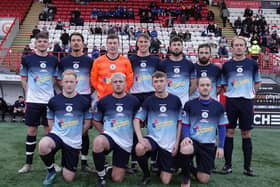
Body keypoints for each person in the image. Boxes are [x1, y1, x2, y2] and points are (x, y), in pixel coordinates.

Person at [38, 70, 92, 185]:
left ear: (76, 83)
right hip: (58, 135)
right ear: (62, 82)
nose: (69, 84)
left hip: (73, 141)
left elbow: (87, 123)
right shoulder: (54, 101)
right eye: (66, 81)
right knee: (43, 145)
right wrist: (55, 133)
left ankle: (66, 163)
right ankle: (51, 171)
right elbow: (50, 119)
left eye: (71, 82)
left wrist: (77, 135)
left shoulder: (84, 101)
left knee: (68, 178)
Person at [218, 36, 262, 176]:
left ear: (245, 47)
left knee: (246, 134)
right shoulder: (226, 65)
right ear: (232, 47)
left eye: (241, 45)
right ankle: (228, 165)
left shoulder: (253, 64)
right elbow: (224, 84)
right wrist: (233, 92)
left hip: (246, 102)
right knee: (229, 133)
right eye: (236, 45)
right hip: (231, 101)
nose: (238, 47)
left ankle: (247, 167)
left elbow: (257, 83)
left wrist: (248, 92)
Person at [18, 32, 59, 173]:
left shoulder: (53, 60)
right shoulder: (27, 59)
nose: (42, 43)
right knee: (32, 130)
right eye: (39, 41)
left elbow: (55, 78)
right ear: (35, 43)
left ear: (48, 43)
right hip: (33, 101)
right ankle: (28, 164)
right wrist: (30, 92)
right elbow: (23, 78)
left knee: (49, 132)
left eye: (44, 41)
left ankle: (52, 164)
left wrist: (49, 90)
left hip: (48, 102)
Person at [92, 73, 140, 187]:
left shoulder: (134, 101)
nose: (118, 84)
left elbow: (138, 120)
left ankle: (108, 168)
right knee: (98, 142)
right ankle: (101, 176)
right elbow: (95, 120)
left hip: (125, 141)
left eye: (120, 81)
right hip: (109, 136)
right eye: (115, 82)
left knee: (117, 179)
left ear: (125, 83)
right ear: (111, 84)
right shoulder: (104, 101)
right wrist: (104, 133)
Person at [134, 71, 182, 185]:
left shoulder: (175, 100)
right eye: (156, 81)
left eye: (161, 81)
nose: (159, 84)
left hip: (169, 143)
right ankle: (146, 175)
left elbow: (180, 122)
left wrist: (177, 142)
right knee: (139, 148)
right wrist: (140, 138)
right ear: (152, 84)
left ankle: (161, 164)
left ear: (167, 82)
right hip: (153, 139)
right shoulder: (149, 101)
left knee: (165, 181)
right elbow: (136, 120)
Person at [180, 77, 228, 187]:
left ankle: (187, 166)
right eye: (202, 85)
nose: (205, 87)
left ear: (212, 88)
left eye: (207, 85)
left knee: (203, 179)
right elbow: (185, 124)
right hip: (193, 141)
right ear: (197, 88)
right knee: (185, 148)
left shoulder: (219, 106)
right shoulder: (189, 104)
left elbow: (221, 127)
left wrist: (221, 146)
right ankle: (185, 178)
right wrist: (186, 137)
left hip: (208, 145)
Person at [56, 32, 93, 172]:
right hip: (68, 98)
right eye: (73, 40)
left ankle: (83, 162)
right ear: (70, 43)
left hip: (84, 98)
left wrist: (87, 92)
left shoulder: (90, 60)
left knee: (84, 132)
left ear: (83, 43)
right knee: (67, 128)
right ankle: (66, 159)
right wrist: (67, 92)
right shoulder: (64, 61)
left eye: (78, 40)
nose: (76, 43)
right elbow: (59, 79)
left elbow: (93, 80)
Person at [128, 34, 161, 173]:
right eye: (140, 42)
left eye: (145, 41)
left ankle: (153, 160)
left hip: (151, 94)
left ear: (149, 43)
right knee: (134, 129)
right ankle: (134, 159)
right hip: (135, 95)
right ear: (137, 43)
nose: (143, 44)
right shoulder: (131, 59)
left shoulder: (156, 60)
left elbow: (160, 78)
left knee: (153, 128)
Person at [90, 34, 133, 100]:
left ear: (118, 45)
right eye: (110, 43)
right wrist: (101, 89)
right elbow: (93, 79)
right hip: (103, 97)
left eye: (115, 43)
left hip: (121, 97)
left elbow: (129, 79)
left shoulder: (126, 61)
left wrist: (122, 90)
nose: (112, 45)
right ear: (107, 45)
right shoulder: (98, 61)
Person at [158, 36, 196, 106]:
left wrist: (185, 95)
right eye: (174, 45)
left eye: (178, 45)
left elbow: (193, 84)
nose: (176, 47)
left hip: (184, 102)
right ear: (170, 47)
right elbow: (158, 83)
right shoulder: (162, 64)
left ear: (182, 47)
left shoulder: (189, 64)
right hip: (167, 101)